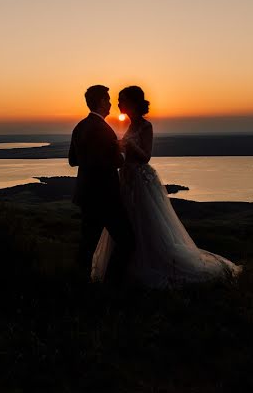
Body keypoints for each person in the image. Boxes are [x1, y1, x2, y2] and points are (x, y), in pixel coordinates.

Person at [91, 86, 241, 288]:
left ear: (133, 102)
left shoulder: (146, 126)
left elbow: (146, 156)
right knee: (128, 224)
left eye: (121, 99)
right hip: (126, 180)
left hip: (140, 181)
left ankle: (152, 265)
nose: (118, 104)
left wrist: (128, 146)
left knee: (146, 224)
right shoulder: (129, 125)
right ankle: (126, 269)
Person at [68, 85, 136, 285]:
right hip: (105, 196)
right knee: (127, 241)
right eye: (107, 100)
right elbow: (115, 162)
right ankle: (111, 284)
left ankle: (78, 284)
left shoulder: (79, 127)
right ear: (99, 102)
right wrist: (122, 151)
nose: (110, 104)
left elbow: (73, 160)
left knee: (87, 243)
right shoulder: (104, 130)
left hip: (86, 195)